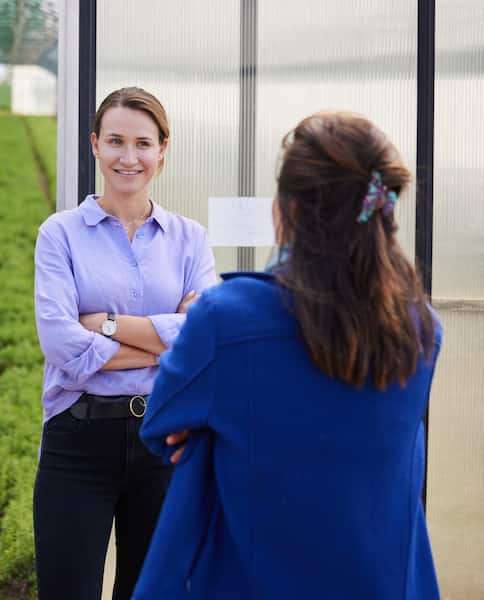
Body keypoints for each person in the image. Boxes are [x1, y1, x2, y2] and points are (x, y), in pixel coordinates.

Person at [135, 112, 441, 599]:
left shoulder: (227, 319)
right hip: (379, 581)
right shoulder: (420, 328)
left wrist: (207, 426)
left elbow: (159, 426)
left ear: (289, 211)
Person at [32, 87, 217, 600]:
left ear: (163, 149)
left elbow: (207, 341)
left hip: (166, 439)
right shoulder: (60, 235)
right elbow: (62, 346)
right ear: (94, 145)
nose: (128, 157)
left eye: (142, 143)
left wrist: (106, 324)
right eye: (115, 141)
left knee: (152, 592)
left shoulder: (190, 239)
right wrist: (166, 340)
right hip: (78, 438)